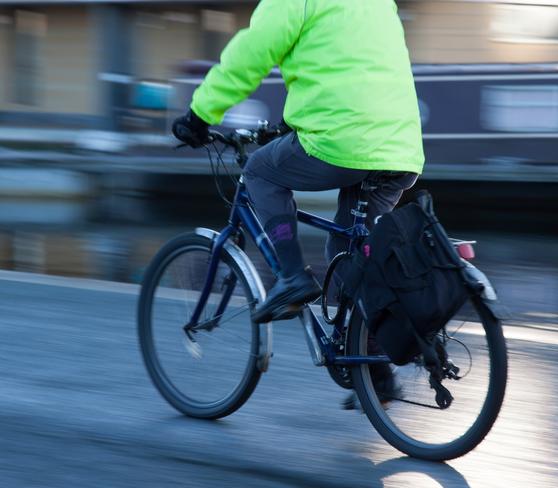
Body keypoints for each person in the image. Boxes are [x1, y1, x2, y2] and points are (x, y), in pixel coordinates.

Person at [172, 0, 425, 325]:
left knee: (259, 172)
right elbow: (354, 68)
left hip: (341, 140)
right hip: (400, 148)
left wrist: (199, 115)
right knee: (347, 256)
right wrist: (292, 123)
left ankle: (292, 277)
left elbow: (249, 56)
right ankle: (373, 367)